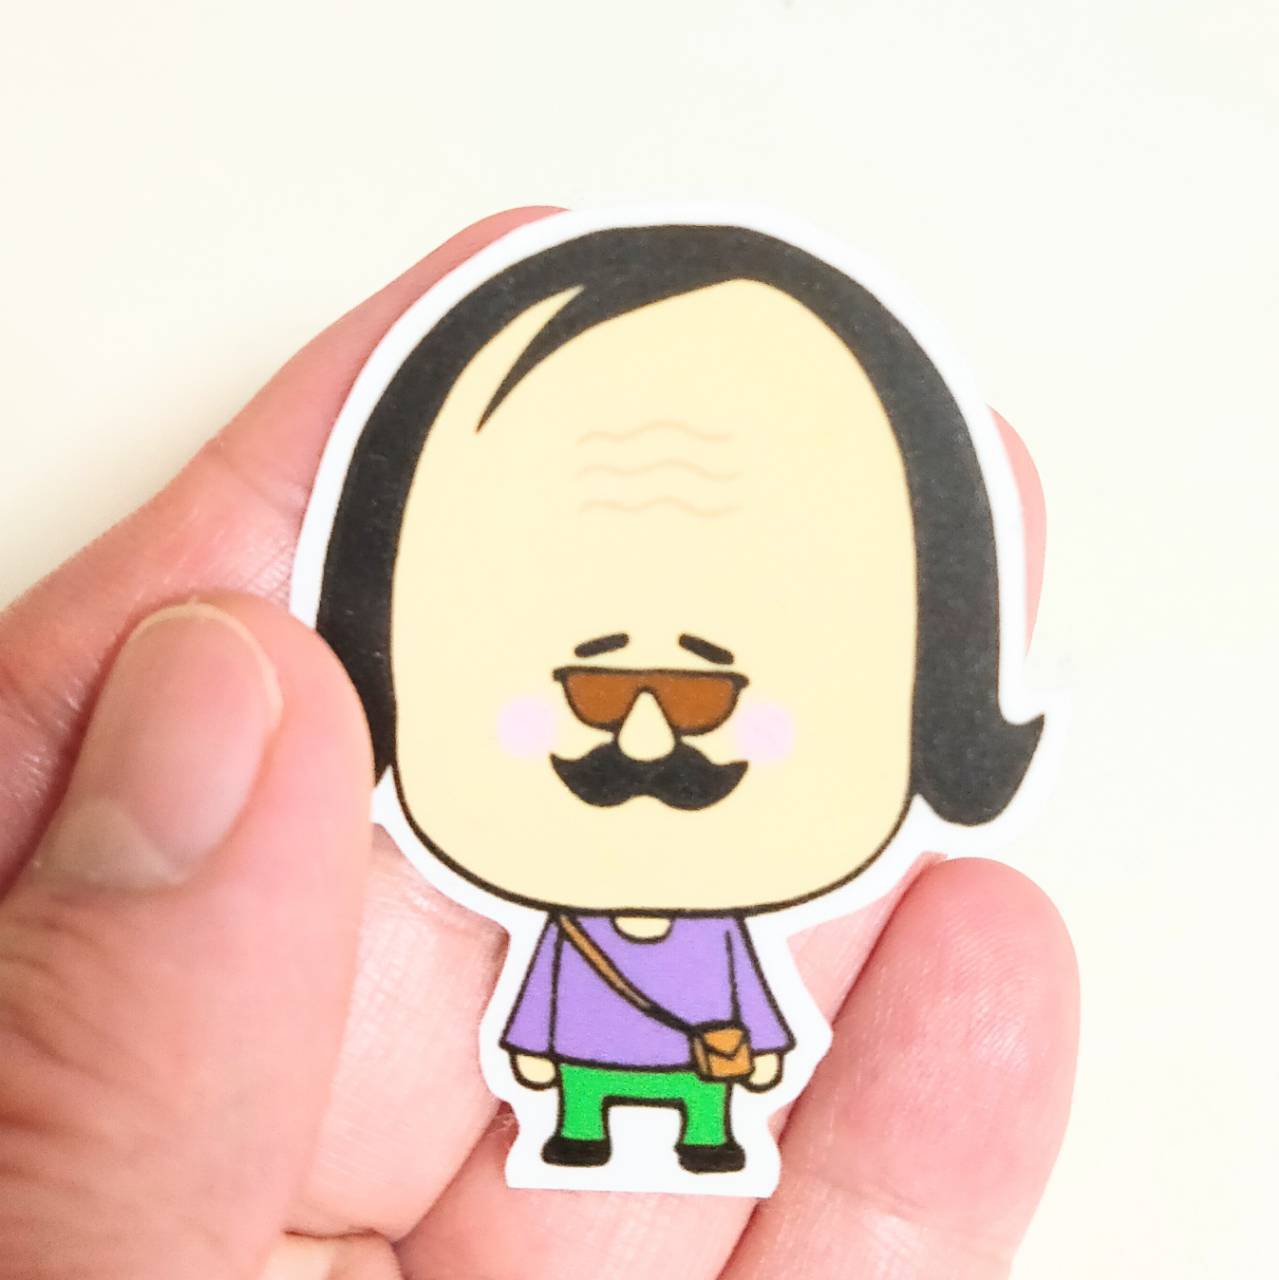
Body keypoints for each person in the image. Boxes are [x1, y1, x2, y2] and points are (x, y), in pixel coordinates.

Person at [0, 209, 1078, 1278]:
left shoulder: (723, 936)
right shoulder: (541, 924)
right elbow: (545, 1003)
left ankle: (699, 1125)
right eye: (590, 688)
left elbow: (743, 996)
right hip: (570, 1063)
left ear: (934, 706)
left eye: (706, 694)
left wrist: (750, 1050)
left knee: (704, 1096)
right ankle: (585, 1119)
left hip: (688, 1073)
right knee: (586, 1080)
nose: (645, 733)